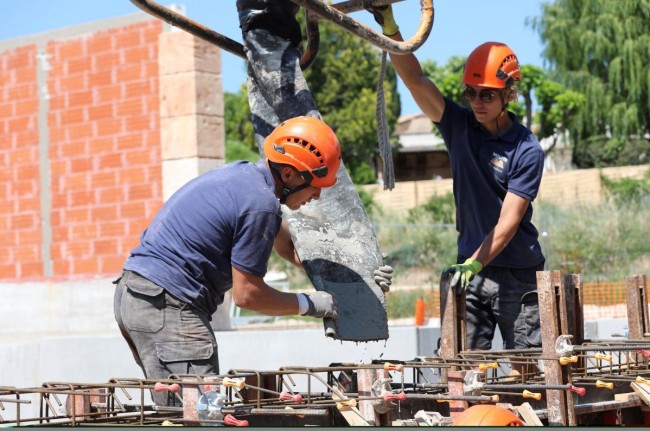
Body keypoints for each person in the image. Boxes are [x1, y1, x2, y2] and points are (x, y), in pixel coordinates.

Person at [113, 116, 393, 406]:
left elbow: (292, 250)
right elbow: (248, 296)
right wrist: (312, 305)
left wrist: (361, 273)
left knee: (179, 412)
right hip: (166, 304)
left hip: (140, 296)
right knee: (200, 416)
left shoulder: (248, 180)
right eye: (315, 184)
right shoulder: (260, 205)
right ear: (288, 175)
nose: (318, 194)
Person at [369, 7, 545, 354]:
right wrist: (390, 27)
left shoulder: (526, 149)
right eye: (471, 93)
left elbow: (508, 222)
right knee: (459, 362)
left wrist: (475, 261)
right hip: (471, 269)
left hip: (518, 275)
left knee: (527, 367)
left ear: (508, 93)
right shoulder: (459, 126)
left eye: (487, 94)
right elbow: (415, 80)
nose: (477, 102)